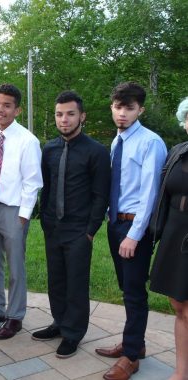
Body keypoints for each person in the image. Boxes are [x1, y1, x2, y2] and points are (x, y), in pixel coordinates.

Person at [95, 82, 167, 380]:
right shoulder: (117, 141)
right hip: (116, 223)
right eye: (117, 107)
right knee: (127, 288)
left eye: (129, 108)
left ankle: (130, 358)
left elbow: (151, 194)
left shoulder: (151, 142)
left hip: (135, 225)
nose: (122, 114)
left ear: (141, 110)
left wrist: (134, 235)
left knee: (135, 292)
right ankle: (134, 344)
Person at [34, 91, 110, 358]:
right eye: (59, 114)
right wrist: (44, 219)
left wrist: (90, 231)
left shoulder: (97, 152)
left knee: (76, 283)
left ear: (82, 116)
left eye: (70, 114)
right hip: (53, 226)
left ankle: (73, 333)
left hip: (80, 230)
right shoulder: (50, 148)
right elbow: (47, 186)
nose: (64, 119)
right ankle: (59, 322)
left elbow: (101, 195)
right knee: (56, 280)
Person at [0, 83, 43, 339]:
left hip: (14, 211)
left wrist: (23, 216)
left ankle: (15, 317)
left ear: (17, 110)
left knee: (15, 266)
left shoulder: (28, 141)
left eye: (6, 105)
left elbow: (32, 181)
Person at [149, 97, 188, 380]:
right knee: (179, 305)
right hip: (176, 234)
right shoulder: (177, 152)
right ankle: (181, 371)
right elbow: (164, 194)